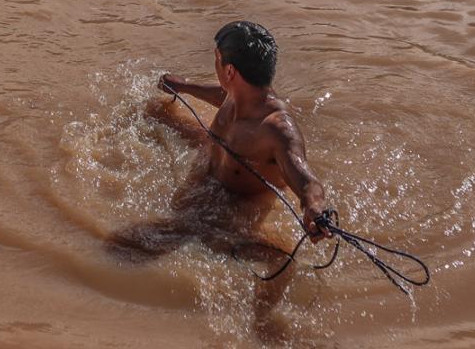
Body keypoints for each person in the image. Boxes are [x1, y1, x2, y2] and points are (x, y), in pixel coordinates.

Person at [109, 21, 331, 333]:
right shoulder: (239, 92)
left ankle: (261, 322)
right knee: (157, 111)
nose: (215, 66)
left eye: (216, 59)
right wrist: (184, 86)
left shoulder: (277, 130)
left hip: (229, 210)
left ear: (230, 71)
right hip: (211, 163)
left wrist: (314, 207)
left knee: (283, 259)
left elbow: (305, 178)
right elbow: (221, 95)